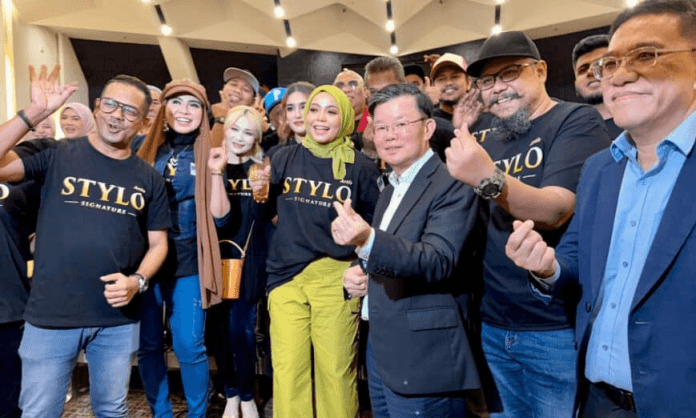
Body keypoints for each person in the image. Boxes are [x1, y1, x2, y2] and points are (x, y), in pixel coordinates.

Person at [505, 1, 696, 416]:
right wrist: (548, 267)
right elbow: (577, 258)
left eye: (646, 55)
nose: (620, 75)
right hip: (598, 399)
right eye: (610, 64)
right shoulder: (599, 169)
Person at [445, 31, 611, 417]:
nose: (498, 88)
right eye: (487, 81)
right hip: (492, 322)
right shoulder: (485, 137)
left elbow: (555, 210)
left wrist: (488, 178)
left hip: (553, 326)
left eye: (510, 73)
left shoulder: (575, 120)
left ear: (540, 71)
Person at [0, 66, 169, 418]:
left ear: (143, 123)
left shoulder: (149, 178)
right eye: (111, 104)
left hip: (115, 319)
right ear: (97, 107)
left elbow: (158, 244)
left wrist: (137, 281)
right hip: (50, 316)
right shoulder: (56, 153)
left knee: (113, 409)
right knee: (39, 411)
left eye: (130, 111)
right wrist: (35, 112)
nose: (117, 115)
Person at [331, 82, 481, 417]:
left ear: (428, 128)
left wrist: (367, 241)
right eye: (381, 127)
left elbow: (438, 260)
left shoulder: (452, 182)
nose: (389, 136)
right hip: (384, 349)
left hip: (425, 354)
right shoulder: (391, 187)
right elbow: (391, 250)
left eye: (400, 124)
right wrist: (360, 270)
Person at [250, 85, 380, 418]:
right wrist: (259, 193)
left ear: (346, 118)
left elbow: (377, 227)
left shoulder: (361, 167)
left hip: (336, 276)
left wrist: (363, 267)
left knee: (335, 372)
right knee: (288, 370)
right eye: (314, 109)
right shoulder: (283, 157)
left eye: (331, 111)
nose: (320, 118)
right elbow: (263, 215)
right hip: (285, 277)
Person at [136, 79, 223, 418]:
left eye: (193, 104)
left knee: (189, 344)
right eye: (176, 102)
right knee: (148, 345)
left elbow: (222, 217)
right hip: (145, 260)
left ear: (204, 113)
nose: (184, 111)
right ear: (163, 109)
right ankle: (161, 413)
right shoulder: (143, 148)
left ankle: (197, 414)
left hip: (189, 261)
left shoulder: (212, 151)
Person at [208, 106, 270, 418]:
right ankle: (230, 392)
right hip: (213, 259)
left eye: (248, 132)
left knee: (241, 331)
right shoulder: (212, 163)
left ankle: (247, 394)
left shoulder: (261, 167)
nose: (239, 137)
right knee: (218, 332)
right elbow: (219, 219)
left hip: (250, 260)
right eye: (235, 129)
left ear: (257, 137)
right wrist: (216, 173)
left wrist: (262, 191)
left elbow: (263, 218)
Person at [364, 56, 455, 163]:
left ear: (403, 86)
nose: (380, 98)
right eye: (374, 92)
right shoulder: (362, 137)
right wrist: (369, 151)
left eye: (388, 90)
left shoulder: (441, 130)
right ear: (366, 92)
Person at [572, 35, 624, 138]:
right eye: (583, 69)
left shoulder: (652, 122)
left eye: (601, 64)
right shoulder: (570, 135)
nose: (591, 72)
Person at [266, 81, 315, 158]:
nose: (297, 115)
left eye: (303, 107)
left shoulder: (333, 151)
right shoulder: (275, 155)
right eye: (290, 108)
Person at [211, 68, 260, 145]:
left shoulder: (255, 129)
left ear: (253, 101)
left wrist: (223, 117)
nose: (237, 91)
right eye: (233, 85)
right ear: (223, 88)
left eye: (246, 89)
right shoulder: (205, 115)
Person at [430, 53, 471, 123]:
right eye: (441, 79)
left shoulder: (487, 120)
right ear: (433, 86)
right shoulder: (427, 124)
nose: (448, 83)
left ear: (468, 83)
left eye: (455, 77)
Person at [261, 87, 286, 151]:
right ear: (271, 121)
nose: (284, 117)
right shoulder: (266, 146)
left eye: (289, 109)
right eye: (278, 113)